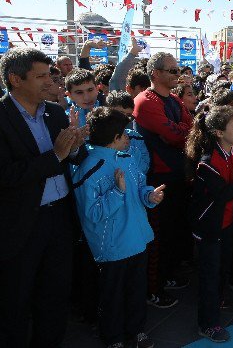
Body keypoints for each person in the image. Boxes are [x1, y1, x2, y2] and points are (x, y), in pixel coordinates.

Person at [0, 48, 87, 347]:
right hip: (21, 224)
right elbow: (6, 175)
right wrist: (57, 155)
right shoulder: (2, 117)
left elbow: (72, 158)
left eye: (49, 74)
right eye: (39, 76)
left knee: (55, 294)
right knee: (16, 300)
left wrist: (75, 146)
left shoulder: (55, 112)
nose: (48, 82)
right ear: (15, 79)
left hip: (60, 218)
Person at [73, 107, 165, 348]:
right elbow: (92, 214)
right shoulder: (88, 167)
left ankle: (136, 331)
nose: (128, 137)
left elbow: (141, 188)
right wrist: (117, 192)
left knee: (136, 291)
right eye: (124, 134)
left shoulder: (127, 158)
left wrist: (149, 196)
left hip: (137, 239)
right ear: (115, 138)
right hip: (112, 247)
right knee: (112, 295)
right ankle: (112, 337)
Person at [186, 106, 233, 342]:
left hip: (227, 223)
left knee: (222, 269)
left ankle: (216, 302)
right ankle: (207, 323)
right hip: (210, 226)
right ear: (219, 132)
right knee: (209, 275)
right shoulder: (208, 162)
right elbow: (224, 194)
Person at [134, 52, 194, 308]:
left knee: (172, 232)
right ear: (155, 73)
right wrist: (179, 130)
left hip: (176, 173)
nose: (176, 74)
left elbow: (191, 129)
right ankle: (152, 288)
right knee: (157, 237)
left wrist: (179, 129)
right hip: (156, 178)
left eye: (177, 69)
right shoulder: (145, 101)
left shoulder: (175, 101)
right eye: (171, 70)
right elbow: (174, 135)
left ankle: (166, 276)